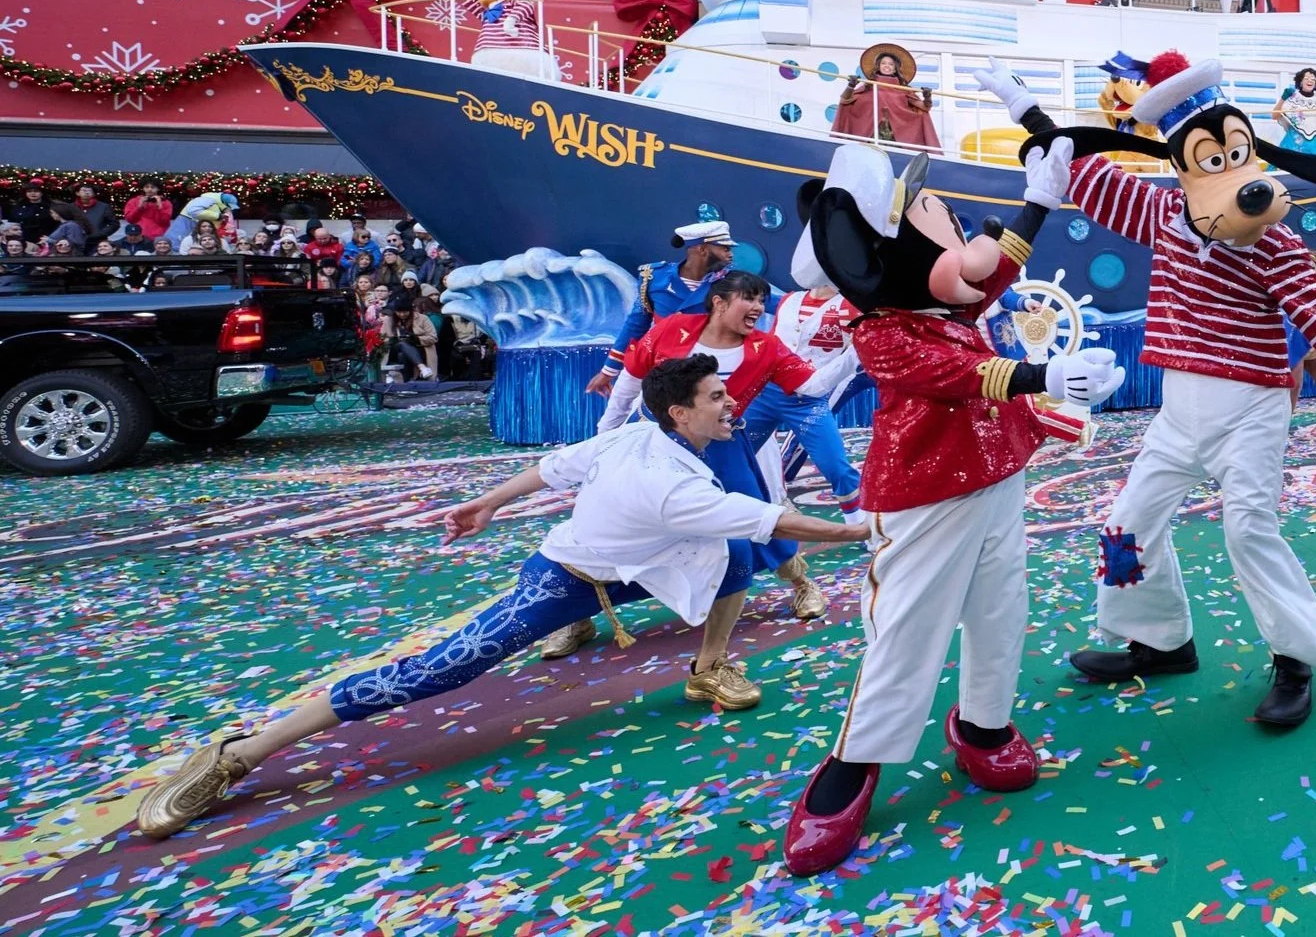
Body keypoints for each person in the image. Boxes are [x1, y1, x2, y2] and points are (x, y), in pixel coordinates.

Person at [131, 355, 872, 841]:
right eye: (716, 398)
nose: (731, 403)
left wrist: (487, 502)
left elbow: (553, 469)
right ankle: (239, 754)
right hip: (566, 580)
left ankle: (707, 668)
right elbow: (778, 520)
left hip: (647, 563)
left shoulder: (644, 439)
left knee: (734, 555)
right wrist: (862, 531)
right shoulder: (665, 480)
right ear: (680, 413)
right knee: (441, 669)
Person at [974, 52, 1316, 729]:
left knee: (1249, 530)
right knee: (1126, 524)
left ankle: (1294, 660)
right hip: (1180, 409)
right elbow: (1086, 169)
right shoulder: (1163, 213)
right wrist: (1027, 111)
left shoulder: (1276, 244)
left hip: (1251, 409)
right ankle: (1161, 642)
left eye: (1238, 155)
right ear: (1184, 167)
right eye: (1213, 160)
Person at [779, 137, 1115, 876]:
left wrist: (1039, 201)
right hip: (927, 496)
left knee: (1001, 611)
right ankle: (855, 760)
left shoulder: (938, 301)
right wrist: (1047, 375)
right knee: (905, 630)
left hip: (998, 478)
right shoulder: (883, 333)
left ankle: (984, 724)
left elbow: (992, 274)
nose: (972, 250)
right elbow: (960, 373)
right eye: (948, 241)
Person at [584, 270, 856, 645]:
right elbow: (631, 378)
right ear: (719, 302)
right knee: (619, 519)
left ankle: (800, 582)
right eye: (749, 298)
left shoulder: (766, 347)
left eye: (761, 300)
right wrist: (607, 433)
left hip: (723, 444)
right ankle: (577, 611)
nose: (758, 307)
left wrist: (856, 353)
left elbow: (811, 385)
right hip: (653, 441)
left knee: (754, 515)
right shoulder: (674, 328)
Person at [741, 283, 868, 525]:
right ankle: (726, 521)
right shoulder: (789, 300)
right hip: (765, 393)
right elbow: (771, 340)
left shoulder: (849, 306)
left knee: (837, 467)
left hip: (807, 401)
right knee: (736, 455)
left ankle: (859, 527)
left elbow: (861, 347)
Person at [587, 220, 738, 396]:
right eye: (725, 248)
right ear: (702, 249)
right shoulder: (654, 278)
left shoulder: (732, 283)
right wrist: (609, 370)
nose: (730, 254)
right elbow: (635, 325)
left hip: (712, 373)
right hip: (661, 371)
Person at [832, 43, 938, 148]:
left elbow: (924, 107)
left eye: (891, 64)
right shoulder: (869, 86)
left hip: (894, 139)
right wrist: (851, 86)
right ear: (878, 66)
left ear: (895, 68)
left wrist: (927, 97)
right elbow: (845, 100)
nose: (887, 66)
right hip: (869, 137)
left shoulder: (903, 90)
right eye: (883, 63)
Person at [1272, 67, 1316, 156]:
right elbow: (1274, 116)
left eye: (1313, 79)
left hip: (1315, 147)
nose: (1310, 80)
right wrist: (1283, 98)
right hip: (1292, 145)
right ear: (1300, 82)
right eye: (1306, 78)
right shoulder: (1292, 97)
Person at [52, 184, 117, 248]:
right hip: (74, 243)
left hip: (97, 242)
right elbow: (63, 222)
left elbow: (114, 224)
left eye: (89, 191)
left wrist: (101, 234)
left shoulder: (104, 207)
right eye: (84, 190)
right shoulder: (70, 207)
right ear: (77, 193)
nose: (87, 193)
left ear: (94, 194)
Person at [5, 179, 57, 245]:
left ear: (42, 193)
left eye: (36, 191)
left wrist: (50, 238)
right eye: (29, 191)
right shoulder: (18, 207)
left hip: (44, 240)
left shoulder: (50, 207)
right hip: (22, 240)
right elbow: (11, 223)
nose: (33, 193)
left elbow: (56, 225)